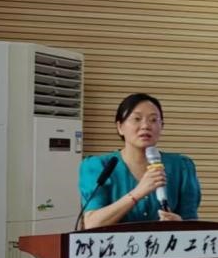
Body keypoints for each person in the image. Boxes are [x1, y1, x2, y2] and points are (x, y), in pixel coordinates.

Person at [78, 93, 201, 228]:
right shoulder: (98, 166)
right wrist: (137, 193)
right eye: (137, 119)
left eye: (153, 120)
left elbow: (192, 224)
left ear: (161, 126)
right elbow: (92, 223)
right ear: (120, 127)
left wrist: (179, 224)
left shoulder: (182, 166)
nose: (145, 126)